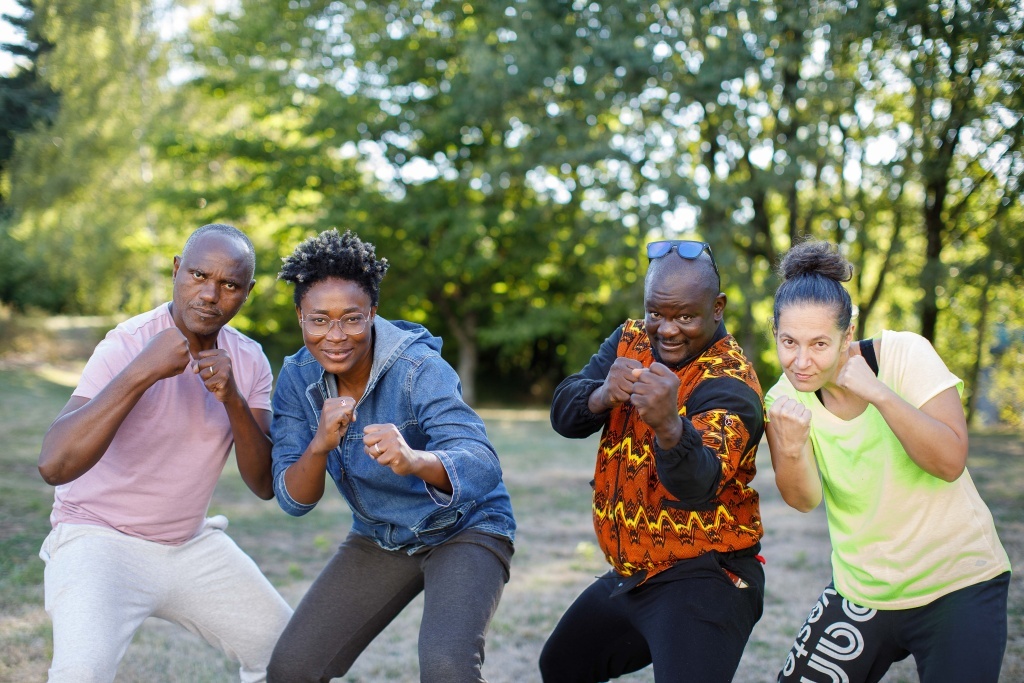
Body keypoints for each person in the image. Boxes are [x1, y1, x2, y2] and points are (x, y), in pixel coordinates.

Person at [36, 223, 293, 682]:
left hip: (188, 544)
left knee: (292, 655)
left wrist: (233, 398)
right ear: (177, 270)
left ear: (246, 293)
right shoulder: (128, 342)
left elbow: (262, 485)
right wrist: (142, 372)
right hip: (98, 540)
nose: (210, 294)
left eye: (229, 284)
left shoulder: (249, 360)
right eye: (198, 275)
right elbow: (54, 464)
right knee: (79, 674)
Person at [266, 228, 516, 683]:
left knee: (446, 668)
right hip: (380, 535)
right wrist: (319, 444)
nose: (336, 336)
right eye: (319, 320)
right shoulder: (296, 379)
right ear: (300, 316)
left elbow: (482, 462)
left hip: (467, 527)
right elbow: (293, 500)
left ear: (374, 314)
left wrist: (414, 460)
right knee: (292, 669)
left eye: (352, 319)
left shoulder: (417, 368)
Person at [765, 239, 1010, 683]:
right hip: (863, 591)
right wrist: (791, 445)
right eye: (788, 342)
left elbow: (949, 461)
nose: (801, 361)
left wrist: (878, 393)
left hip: (957, 582)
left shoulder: (904, 354)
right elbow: (803, 500)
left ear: (847, 333)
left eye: (819, 343)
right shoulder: (782, 399)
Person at [541, 239, 766, 682]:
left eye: (685, 316)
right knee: (564, 665)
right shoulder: (630, 339)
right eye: (656, 313)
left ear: (717, 307)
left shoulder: (731, 383)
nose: (666, 329)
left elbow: (699, 485)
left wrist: (670, 427)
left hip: (707, 576)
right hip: (635, 572)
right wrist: (603, 393)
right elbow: (563, 416)